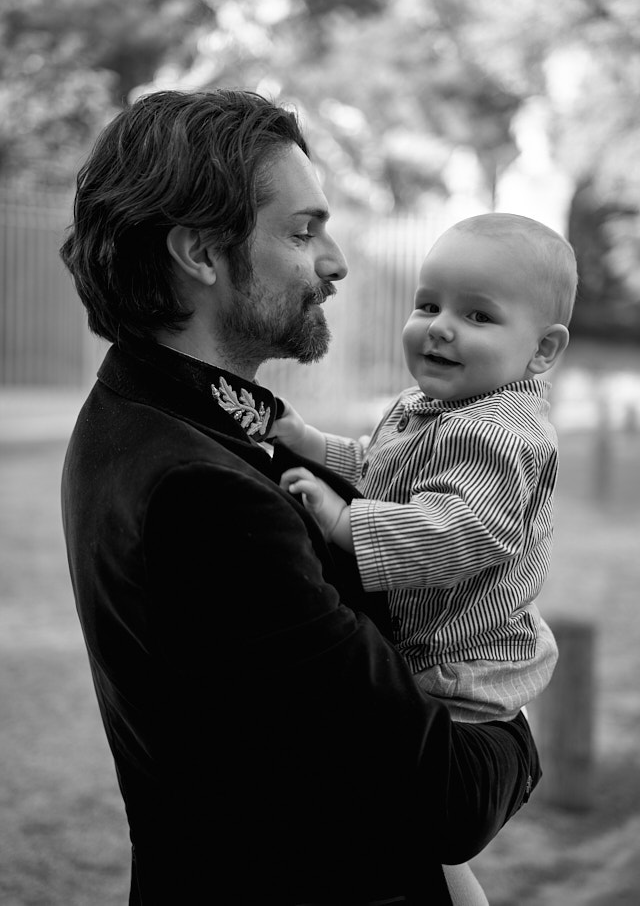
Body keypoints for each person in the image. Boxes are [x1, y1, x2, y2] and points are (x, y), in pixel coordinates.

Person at [60, 90, 541, 906]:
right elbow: (445, 800)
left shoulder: (147, 415)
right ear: (202, 253)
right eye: (303, 230)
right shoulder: (202, 496)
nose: (337, 261)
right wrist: (518, 722)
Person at [277, 212, 577, 724]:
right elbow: (384, 470)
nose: (439, 327)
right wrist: (312, 443)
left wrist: (344, 522)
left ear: (542, 350)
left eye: (478, 316)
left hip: (462, 672)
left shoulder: (499, 433)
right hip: (426, 652)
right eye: (428, 305)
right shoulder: (433, 406)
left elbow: (456, 530)